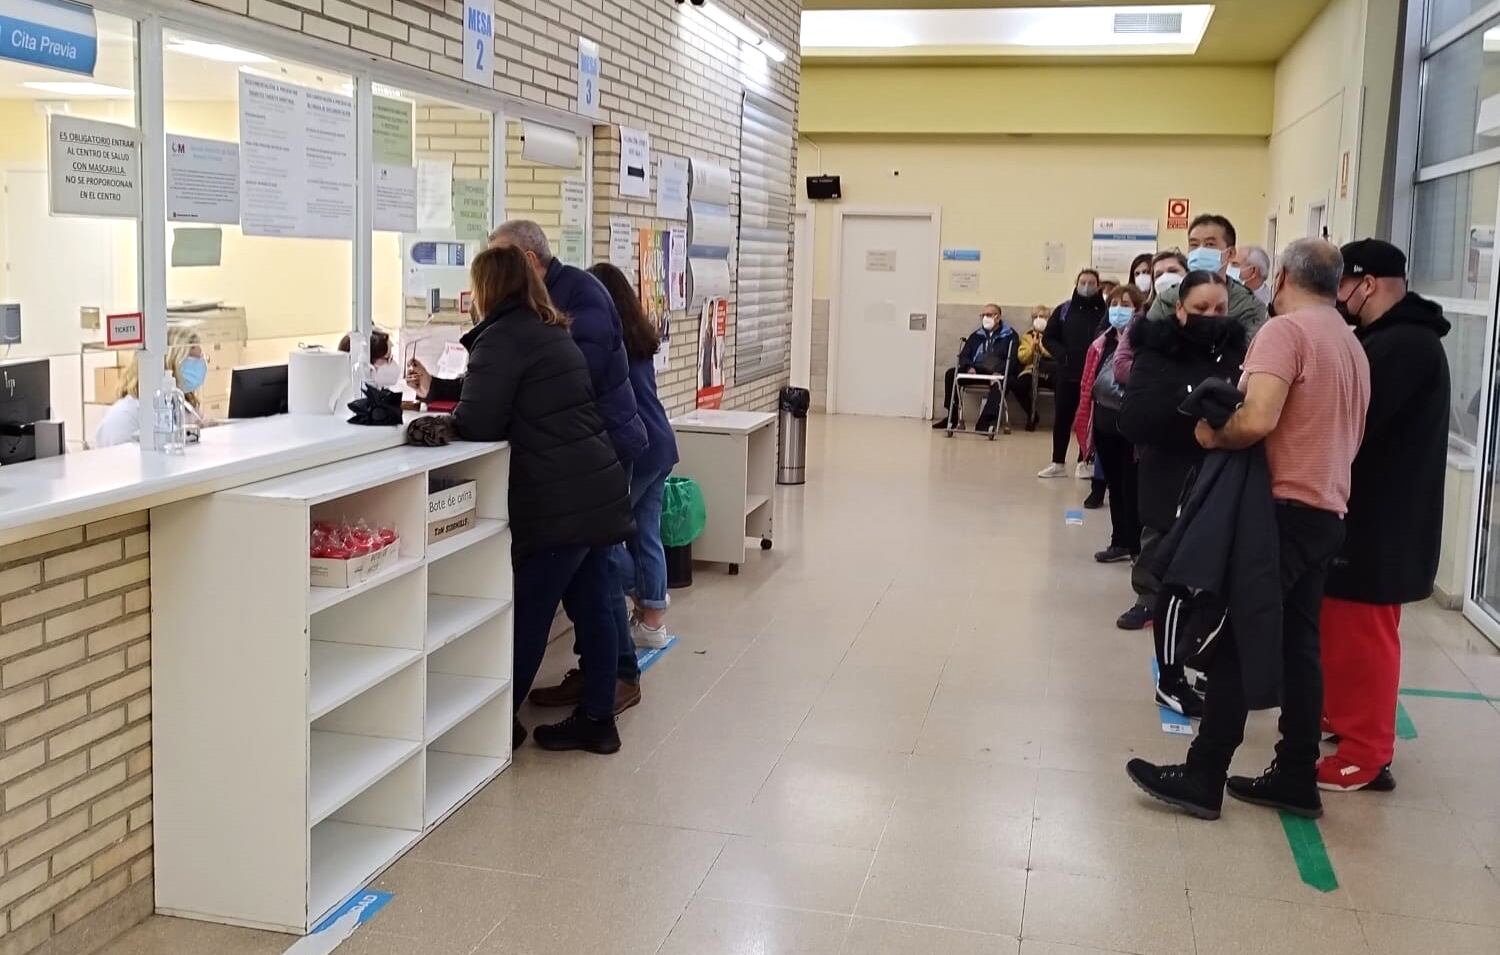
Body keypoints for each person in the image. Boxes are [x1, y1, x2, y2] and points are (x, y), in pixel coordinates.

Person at [1127, 238, 1370, 821]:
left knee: (1235, 634)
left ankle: (1204, 774)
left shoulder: (1285, 333)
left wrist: (1212, 434)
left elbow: (1257, 418)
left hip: (1281, 510)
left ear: (1281, 276)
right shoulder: (1350, 342)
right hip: (1329, 508)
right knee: (1299, 644)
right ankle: (1293, 772)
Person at [409, 220, 648, 713]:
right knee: (593, 603)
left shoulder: (506, 336)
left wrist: (440, 423)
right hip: (590, 483)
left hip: (561, 497)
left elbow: (481, 418)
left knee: (531, 614)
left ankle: (500, 725)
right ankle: (598, 718)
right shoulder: (550, 326)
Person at [1318, 239, 1450, 792]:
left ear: (1365, 284)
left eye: (1341, 286)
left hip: (1382, 520)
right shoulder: (1386, 340)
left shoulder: (1404, 348)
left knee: (1364, 633)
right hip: (1367, 510)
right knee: (1341, 627)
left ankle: (1367, 752)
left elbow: (1356, 424)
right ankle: (1343, 716)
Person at [1118, 271, 1249, 711]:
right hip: (1173, 483)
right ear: (1179, 310)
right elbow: (1135, 419)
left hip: (1224, 482)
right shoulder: (1157, 353)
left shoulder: (1238, 353)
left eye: (1220, 309)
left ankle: (1207, 667)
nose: (1212, 317)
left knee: (1219, 586)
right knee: (1176, 583)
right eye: (1200, 310)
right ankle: (1170, 677)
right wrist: (1198, 422)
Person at [588, 262, 680, 650]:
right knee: (647, 535)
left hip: (636, 449)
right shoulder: (639, 337)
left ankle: (643, 598)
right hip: (661, 443)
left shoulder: (608, 343)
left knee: (606, 538)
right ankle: (653, 621)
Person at [1074, 284, 1144, 562]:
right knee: (1114, 484)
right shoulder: (1100, 343)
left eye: (1126, 304)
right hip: (1104, 422)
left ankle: (1138, 545)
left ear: (1138, 309)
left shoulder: (1142, 341)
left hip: (1131, 424)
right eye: (1114, 304)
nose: (1118, 309)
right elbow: (1088, 383)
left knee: (1132, 486)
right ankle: (1120, 541)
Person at [1146, 214, 1267, 338]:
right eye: (1194, 244)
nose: (1200, 251)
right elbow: (1146, 347)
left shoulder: (1247, 306)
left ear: (1230, 253)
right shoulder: (1167, 300)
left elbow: (1249, 351)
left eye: (1210, 244)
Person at [1039, 268, 1106, 478]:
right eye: (1083, 282)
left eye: (1091, 282)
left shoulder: (1105, 312)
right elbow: (1048, 337)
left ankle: (1084, 462)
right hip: (1067, 374)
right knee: (1062, 418)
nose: (1087, 286)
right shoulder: (1064, 310)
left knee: (1087, 421)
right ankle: (1057, 462)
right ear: (1076, 284)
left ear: (1098, 286)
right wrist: (1062, 355)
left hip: (1093, 377)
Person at [95, 331, 207, 448]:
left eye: (201, 359)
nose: (200, 366)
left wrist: (204, 432)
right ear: (168, 362)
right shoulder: (124, 416)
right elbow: (117, 462)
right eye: (194, 360)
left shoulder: (184, 407)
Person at [934, 303, 1022, 431]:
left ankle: (985, 421)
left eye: (989, 315)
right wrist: (969, 367)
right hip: (976, 369)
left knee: (1002, 382)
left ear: (998, 317)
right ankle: (952, 417)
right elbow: (964, 355)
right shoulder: (976, 335)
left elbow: (1012, 359)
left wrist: (999, 372)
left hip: (996, 372)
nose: (985, 318)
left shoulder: (1010, 335)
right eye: (983, 315)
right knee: (951, 374)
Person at [1113, 250, 1189, 389]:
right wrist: (1162, 375)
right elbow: (1120, 365)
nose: (1165, 278)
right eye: (1158, 275)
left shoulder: (1203, 311)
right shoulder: (1142, 317)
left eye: (1172, 271)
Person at [1016, 305, 1053, 432]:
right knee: (1019, 386)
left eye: (1042, 317)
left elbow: (1055, 354)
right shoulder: (1027, 336)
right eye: (1035, 317)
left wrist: (1041, 347)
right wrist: (1033, 347)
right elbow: (1022, 358)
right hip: (1031, 370)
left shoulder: (1055, 335)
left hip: (1050, 371)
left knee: (1064, 387)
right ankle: (1032, 415)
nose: (1038, 319)